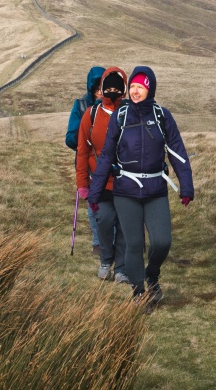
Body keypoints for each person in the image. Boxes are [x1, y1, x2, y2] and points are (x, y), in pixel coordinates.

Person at [89, 66, 194, 305]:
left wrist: (186, 186)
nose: (135, 92)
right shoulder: (121, 116)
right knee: (134, 244)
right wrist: (95, 192)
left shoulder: (162, 116)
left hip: (155, 190)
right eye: (133, 87)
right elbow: (106, 155)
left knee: (161, 242)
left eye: (141, 87)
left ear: (150, 89)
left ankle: (152, 274)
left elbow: (177, 152)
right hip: (125, 191)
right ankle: (138, 291)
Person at [76, 67, 129, 283]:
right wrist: (83, 183)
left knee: (126, 225)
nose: (113, 92)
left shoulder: (130, 112)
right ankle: (106, 260)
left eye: (118, 87)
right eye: (109, 87)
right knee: (105, 221)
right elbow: (82, 151)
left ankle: (122, 268)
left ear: (124, 89)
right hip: (100, 183)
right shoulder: (91, 114)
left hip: (128, 183)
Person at [67, 66, 105, 256]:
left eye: (103, 86)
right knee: (93, 203)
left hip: (109, 163)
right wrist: (84, 134)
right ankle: (99, 244)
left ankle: (112, 242)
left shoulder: (116, 107)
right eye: (96, 87)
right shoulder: (81, 106)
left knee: (112, 203)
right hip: (88, 165)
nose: (99, 91)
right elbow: (70, 138)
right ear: (90, 88)